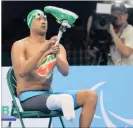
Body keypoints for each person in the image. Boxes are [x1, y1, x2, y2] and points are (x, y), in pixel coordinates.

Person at [11, 9, 98, 127]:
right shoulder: (20, 45)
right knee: (62, 99)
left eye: (45, 18)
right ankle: (62, 100)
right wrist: (44, 51)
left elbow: (65, 71)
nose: (43, 21)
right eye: (38, 18)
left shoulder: (56, 46)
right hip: (29, 97)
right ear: (30, 23)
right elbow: (22, 71)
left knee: (91, 96)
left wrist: (55, 56)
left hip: (48, 94)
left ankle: (62, 100)